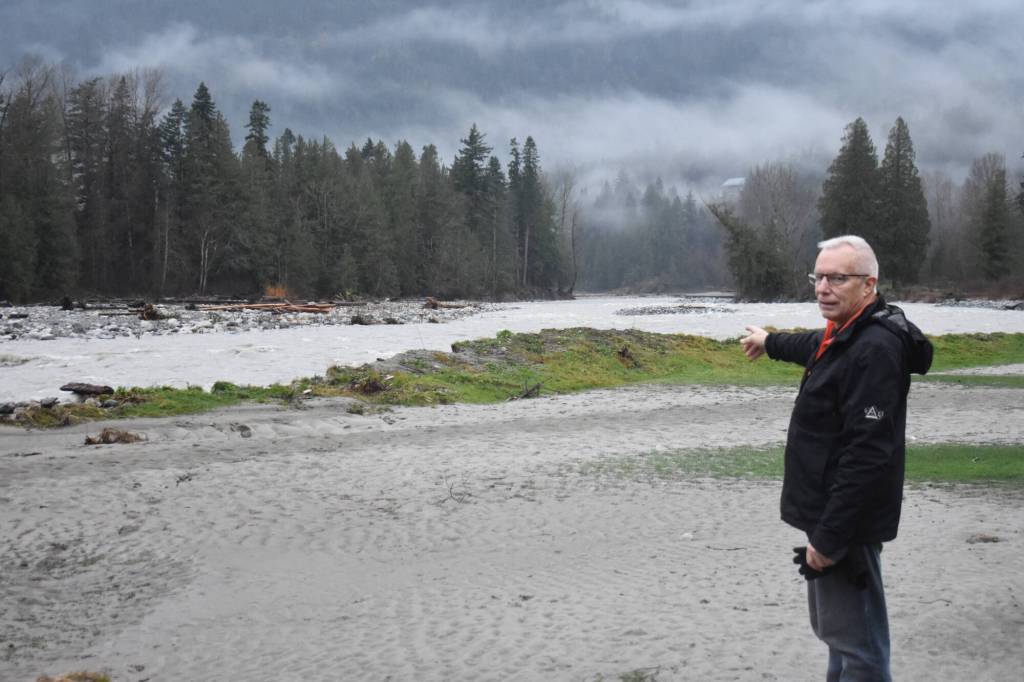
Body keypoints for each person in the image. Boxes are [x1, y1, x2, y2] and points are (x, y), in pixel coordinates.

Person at [740, 235, 933, 681]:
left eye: (837, 278)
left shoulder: (874, 349)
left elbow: (868, 455)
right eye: (819, 276)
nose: (823, 287)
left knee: (860, 649)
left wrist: (828, 538)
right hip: (832, 516)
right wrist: (770, 342)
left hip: (846, 524)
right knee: (841, 639)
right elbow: (813, 345)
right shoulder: (847, 333)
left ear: (869, 285)